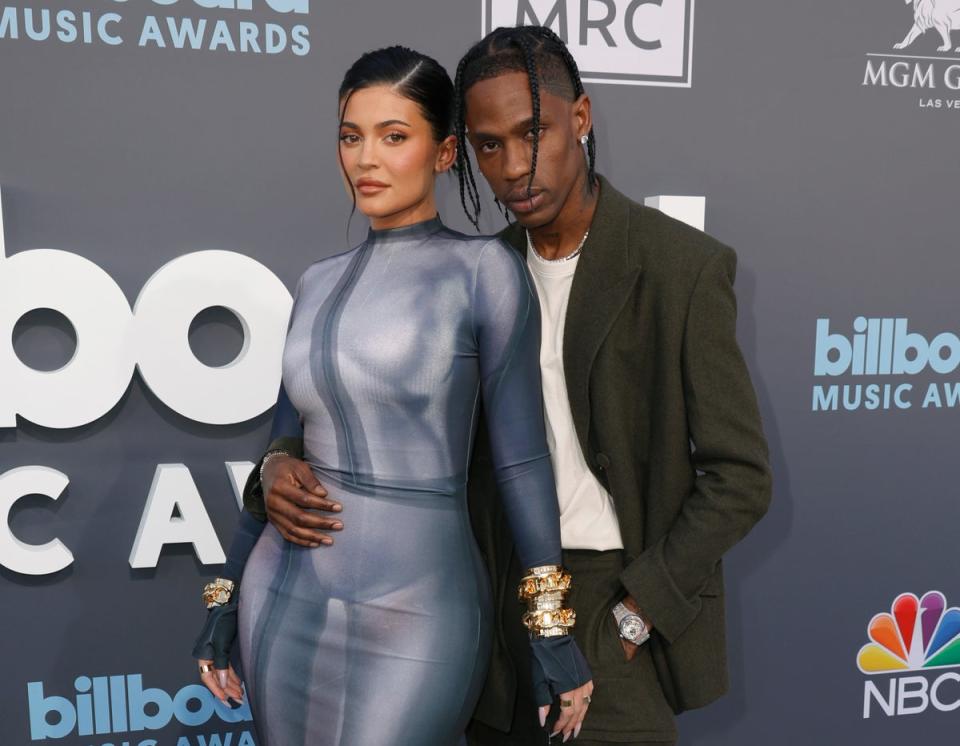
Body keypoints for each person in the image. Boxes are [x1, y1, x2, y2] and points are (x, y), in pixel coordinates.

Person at [244, 26, 773, 746]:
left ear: (579, 119)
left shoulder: (680, 267)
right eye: (490, 145)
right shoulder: (471, 271)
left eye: (534, 134)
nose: (515, 167)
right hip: (481, 599)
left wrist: (634, 610)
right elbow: (330, 407)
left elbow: (738, 475)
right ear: (464, 152)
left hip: (608, 598)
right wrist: (276, 463)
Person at [191, 45, 593, 746]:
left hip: (420, 609)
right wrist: (224, 595)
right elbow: (280, 447)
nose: (365, 158)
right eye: (352, 136)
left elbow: (523, 462)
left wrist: (550, 626)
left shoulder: (484, 274)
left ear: (443, 154)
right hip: (283, 596)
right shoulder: (315, 282)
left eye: (393, 136)